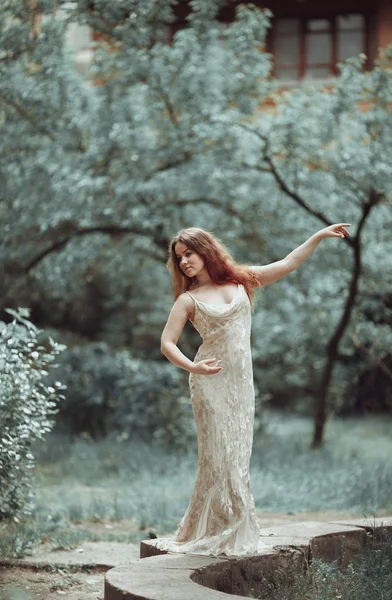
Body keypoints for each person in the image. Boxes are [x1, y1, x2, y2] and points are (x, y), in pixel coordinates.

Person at [155, 223, 351, 557]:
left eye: (189, 253)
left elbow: (287, 264)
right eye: (179, 258)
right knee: (218, 457)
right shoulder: (187, 300)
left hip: (241, 384)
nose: (185, 261)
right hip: (208, 381)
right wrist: (193, 366)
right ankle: (222, 529)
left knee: (238, 456)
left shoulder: (240, 279)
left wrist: (317, 236)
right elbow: (166, 343)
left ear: (206, 251)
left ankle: (229, 527)